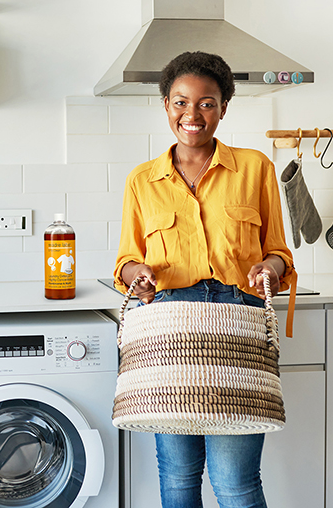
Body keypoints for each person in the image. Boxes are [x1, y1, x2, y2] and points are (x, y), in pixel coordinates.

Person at [113, 51, 297, 508]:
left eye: (207, 103)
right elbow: (126, 261)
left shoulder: (255, 168)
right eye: (180, 102)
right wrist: (139, 277)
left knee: (234, 479)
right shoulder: (142, 180)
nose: (192, 115)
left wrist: (267, 269)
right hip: (167, 330)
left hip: (238, 323)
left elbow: (279, 253)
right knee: (177, 476)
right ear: (165, 104)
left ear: (224, 107)